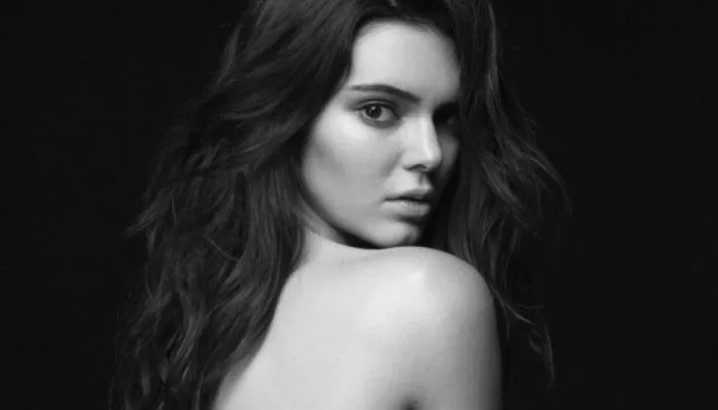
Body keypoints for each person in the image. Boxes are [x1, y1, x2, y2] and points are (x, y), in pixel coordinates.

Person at [112, 0, 571, 409]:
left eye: (446, 118)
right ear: (287, 114)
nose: (430, 154)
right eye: (378, 110)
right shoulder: (426, 294)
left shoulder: (207, 328)